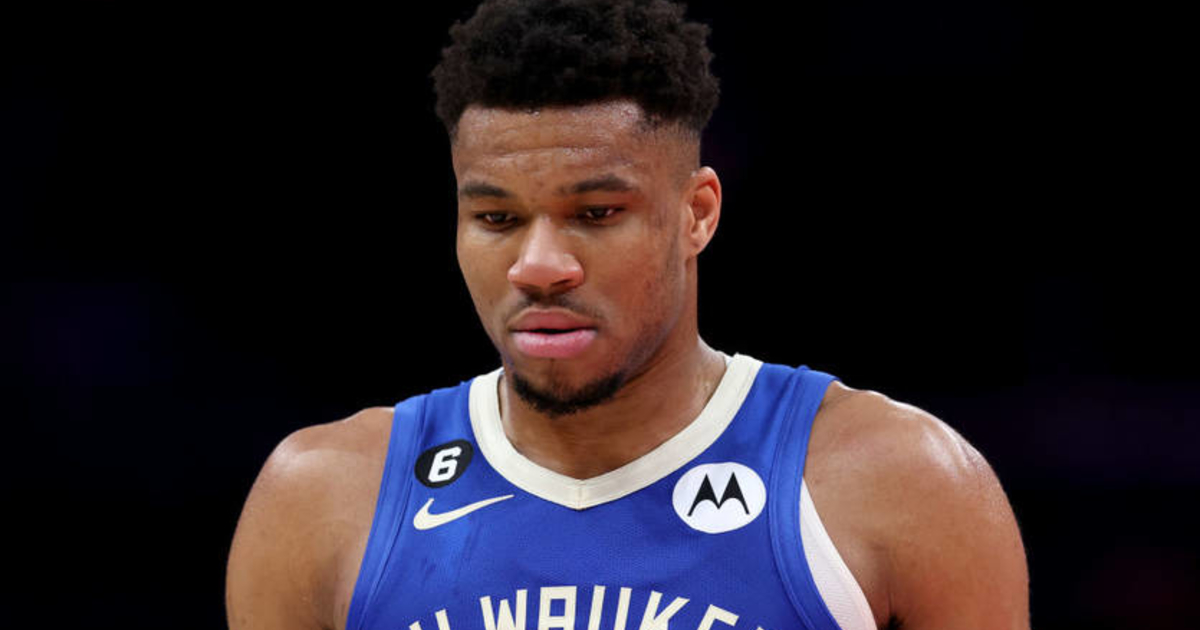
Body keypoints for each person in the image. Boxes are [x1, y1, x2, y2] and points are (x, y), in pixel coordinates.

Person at [226, 1, 1030, 628]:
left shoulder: (901, 483)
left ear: (697, 213)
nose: (539, 266)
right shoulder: (323, 497)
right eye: (497, 219)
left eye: (597, 214)